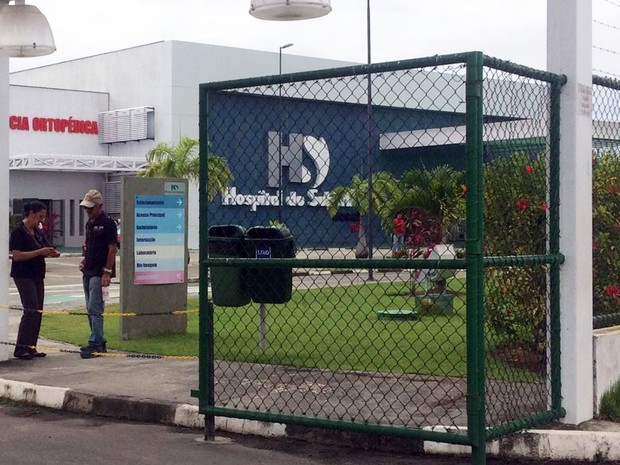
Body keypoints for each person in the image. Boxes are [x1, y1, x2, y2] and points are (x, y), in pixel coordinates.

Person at [10, 200, 60, 360]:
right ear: (31, 213)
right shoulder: (18, 232)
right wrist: (39, 252)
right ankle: (21, 348)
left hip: (37, 275)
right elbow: (17, 255)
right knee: (30, 309)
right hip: (23, 275)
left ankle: (32, 346)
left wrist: (50, 252)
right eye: (40, 216)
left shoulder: (37, 231)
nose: (41, 220)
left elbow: (44, 247)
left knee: (38, 310)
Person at [79, 189, 117, 359]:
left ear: (100, 206)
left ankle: (97, 342)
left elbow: (112, 250)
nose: (88, 211)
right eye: (86, 208)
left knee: (95, 307)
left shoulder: (108, 223)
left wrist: (107, 272)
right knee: (89, 307)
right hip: (88, 269)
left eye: (91, 208)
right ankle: (95, 340)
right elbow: (88, 245)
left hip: (99, 271)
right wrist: (84, 260)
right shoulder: (90, 223)